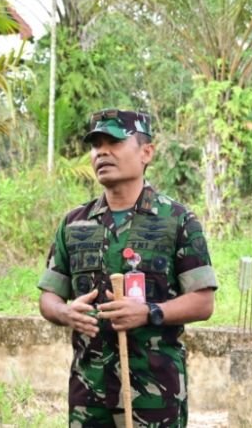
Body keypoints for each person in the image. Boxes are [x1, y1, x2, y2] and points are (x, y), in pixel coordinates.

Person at [38, 109, 216, 427]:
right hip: (89, 394)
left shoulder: (177, 221)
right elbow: (49, 297)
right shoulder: (74, 224)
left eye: (115, 142)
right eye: (96, 145)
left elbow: (203, 302)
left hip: (155, 393)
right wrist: (65, 313)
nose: (102, 152)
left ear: (146, 152)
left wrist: (149, 312)